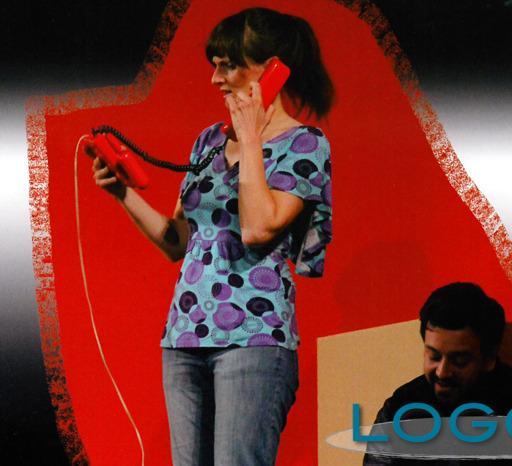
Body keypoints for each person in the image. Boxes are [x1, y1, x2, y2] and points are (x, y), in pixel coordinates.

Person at [92, 7, 334, 466]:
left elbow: (258, 227)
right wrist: (123, 194)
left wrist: (251, 138)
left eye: (229, 65)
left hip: (253, 337)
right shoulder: (208, 142)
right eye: (215, 65)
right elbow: (178, 242)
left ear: (273, 69)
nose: (216, 78)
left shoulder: (305, 144)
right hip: (185, 336)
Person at [363, 282, 512, 466]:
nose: (442, 372)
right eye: (433, 356)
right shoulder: (400, 408)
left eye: (459, 361)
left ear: (489, 358)